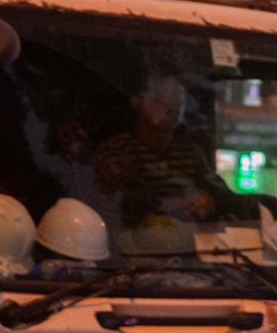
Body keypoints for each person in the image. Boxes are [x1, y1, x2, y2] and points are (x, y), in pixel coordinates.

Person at [94, 75, 225, 229]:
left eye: (178, 99)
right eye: (160, 97)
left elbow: (216, 189)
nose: (171, 106)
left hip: (186, 243)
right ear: (137, 101)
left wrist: (208, 199)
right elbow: (128, 199)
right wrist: (183, 202)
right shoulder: (117, 149)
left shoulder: (191, 152)